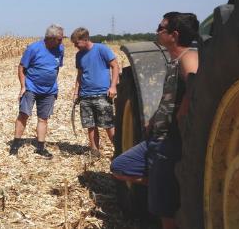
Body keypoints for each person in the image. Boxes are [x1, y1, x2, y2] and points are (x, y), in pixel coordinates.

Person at [110, 12, 199, 229]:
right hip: (158, 138)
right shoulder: (174, 59)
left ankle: (171, 185)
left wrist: (184, 109)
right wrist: (155, 119)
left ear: (174, 35)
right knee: (120, 167)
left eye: (161, 28)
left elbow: (195, 83)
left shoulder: (188, 57)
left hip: (168, 142)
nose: (157, 31)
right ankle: (169, 183)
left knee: (165, 212)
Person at [9, 24, 65, 158]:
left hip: (49, 91)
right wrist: (23, 86)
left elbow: (56, 68)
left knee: (43, 118)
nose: (62, 41)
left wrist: (52, 83)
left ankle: (40, 147)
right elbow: (21, 68)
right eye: (60, 39)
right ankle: (15, 144)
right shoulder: (34, 48)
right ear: (50, 38)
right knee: (24, 115)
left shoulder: (60, 49)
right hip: (31, 88)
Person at [71, 27, 119, 158]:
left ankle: (119, 150)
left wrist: (113, 86)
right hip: (85, 95)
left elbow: (115, 66)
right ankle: (94, 150)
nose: (75, 46)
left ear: (85, 39)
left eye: (77, 43)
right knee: (90, 125)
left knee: (108, 124)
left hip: (102, 94)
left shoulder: (101, 49)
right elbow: (80, 75)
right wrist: (76, 93)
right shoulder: (79, 55)